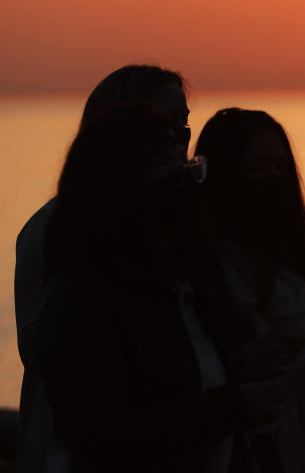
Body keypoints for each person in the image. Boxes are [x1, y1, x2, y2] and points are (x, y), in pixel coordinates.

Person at [36, 103, 286, 473]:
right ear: (120, 186)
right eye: (167, 166)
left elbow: (177, 382)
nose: (186, 177)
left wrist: (239, 366)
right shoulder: (80, 300)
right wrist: (231, 407)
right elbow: (101, 434)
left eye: (185, 163)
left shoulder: (185, 285)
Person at [15, 64, 191, 473]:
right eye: (164, 122)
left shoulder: (180, 225)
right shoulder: (50, 229)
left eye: (183, 121)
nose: (180, 136)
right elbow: (34, 349)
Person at [195, 108, 305, 473]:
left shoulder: (303, 265)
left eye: (280, 166)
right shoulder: (199, 271)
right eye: (257, 167)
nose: (273, 179)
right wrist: (237, 365)